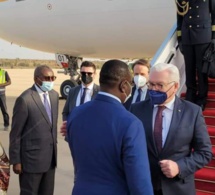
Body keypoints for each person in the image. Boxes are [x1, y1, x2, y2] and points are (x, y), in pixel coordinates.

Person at [67, 59, 153, 195]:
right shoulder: (131, 123)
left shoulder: (76, 114)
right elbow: (139, 182)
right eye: (130, 83)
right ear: (123, 85)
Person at [130, 63, 212, 195]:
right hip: (144, 187)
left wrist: (180, 167)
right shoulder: (136, 109)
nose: (154, 89)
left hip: (178, 188)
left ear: (175, 86)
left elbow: (204, 152)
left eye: (160, 85)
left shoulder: (192, 112)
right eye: (151, 84)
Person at [9, 65, 59, 195]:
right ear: (36, 79)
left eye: (52, 78)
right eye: (47, 78)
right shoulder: (25, 99)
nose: (50, 81)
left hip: (50, 160)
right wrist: (16, 161)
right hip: (30, 162)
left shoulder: (54, 96)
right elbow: (15, 133)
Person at [176, 0, 215, 110]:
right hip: (187, 36)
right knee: (189, 69)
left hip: (203, 35)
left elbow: (214, 15)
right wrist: (180, 38)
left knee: (201, 70)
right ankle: (190, 96)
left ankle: (202, 98)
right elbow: (180, 18)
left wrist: (213, 38)